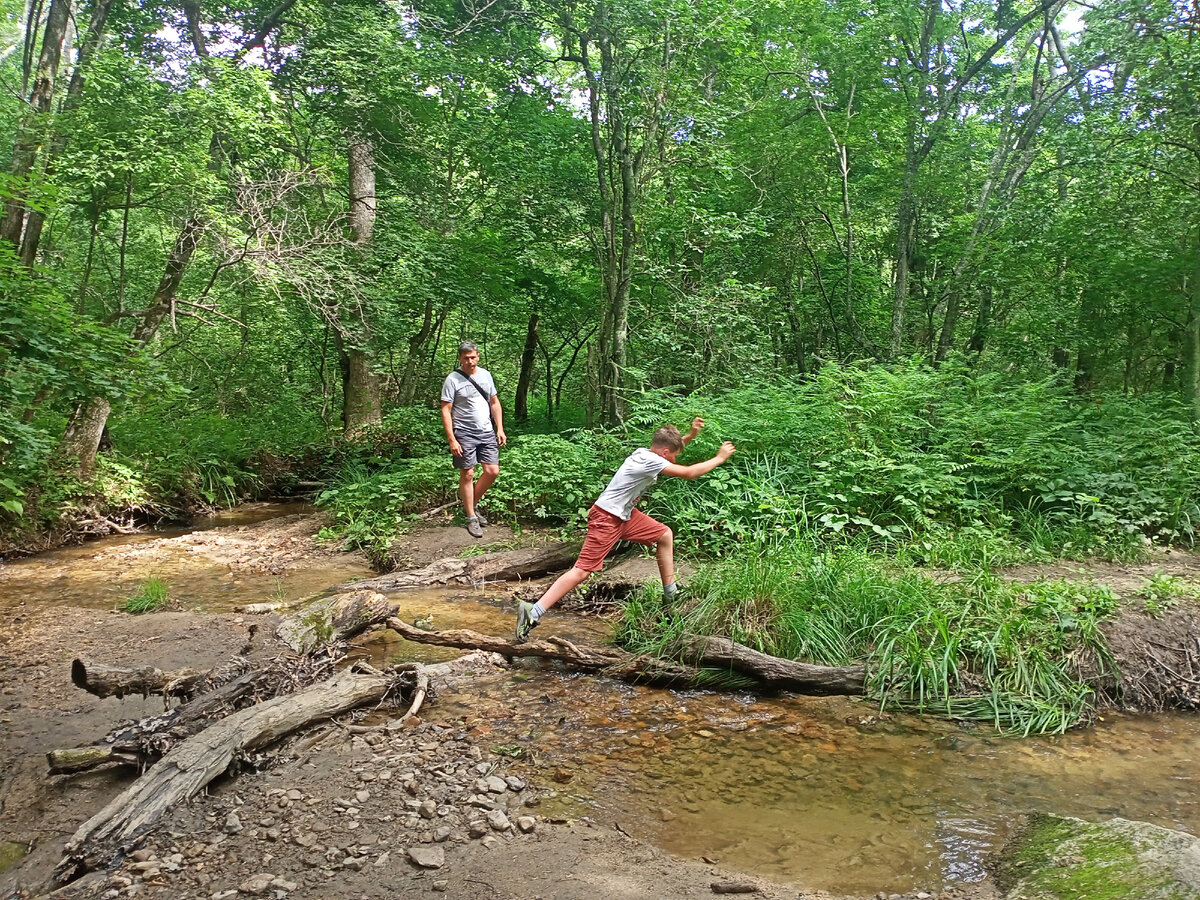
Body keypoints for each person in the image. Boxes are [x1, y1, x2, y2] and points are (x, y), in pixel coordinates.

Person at [515, 418, 735, 642]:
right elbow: (689, 473)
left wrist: (690, 435)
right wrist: (719, 458)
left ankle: (671, 595)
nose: (675, 459)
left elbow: (668, 448)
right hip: (606, 518)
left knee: (664, 534)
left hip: (624, 516)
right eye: (675, 455)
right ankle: (531, 612)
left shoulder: (646, 452)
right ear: (666, 452)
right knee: (582, 571)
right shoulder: (651, 459)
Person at [441, 341, 506, 538]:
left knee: (492, 471)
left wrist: (500, 428)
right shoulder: (453, 379)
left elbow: (494, 402)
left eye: (473, 357)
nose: (470, 361)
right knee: (468, 473)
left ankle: (470, 505)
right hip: (463, 432)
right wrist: (452, 439)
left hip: (486, 430)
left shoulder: (485, 375)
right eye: (466, 358)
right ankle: (471, 516)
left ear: (478, 356)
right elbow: (446, 409)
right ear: (460, 358)